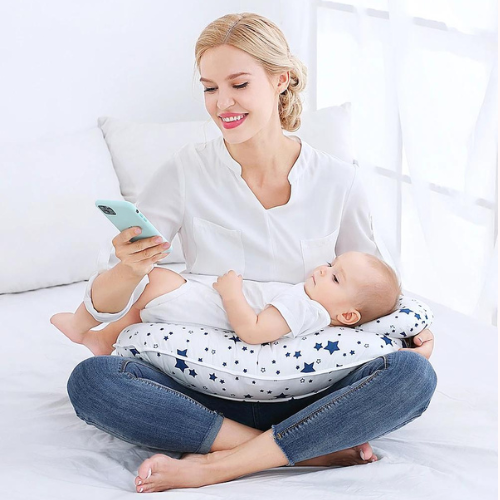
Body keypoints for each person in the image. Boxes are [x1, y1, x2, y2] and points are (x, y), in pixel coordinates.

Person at [65, 13, 436, 493]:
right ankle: (297, 447)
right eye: (209, 88)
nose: (223, 104)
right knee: (94, 381)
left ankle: (221, 463)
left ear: (281, 80)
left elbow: (369, 288)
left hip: (312, 387)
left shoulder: (338, 181)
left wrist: (412, 326)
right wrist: (129, 266)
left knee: (411, 376)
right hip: (198, 387)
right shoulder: (186, 170)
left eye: (238, 84)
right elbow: (112, 298)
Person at [51, 251, 401, 353]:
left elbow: (253, 331)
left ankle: (81, 324)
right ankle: (102, 338)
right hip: (201, 302)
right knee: (143, 302)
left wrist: (232, 292)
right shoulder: (314, 303)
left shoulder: (305, 307)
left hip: (206, 306)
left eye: (336, 278)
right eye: (330, 265)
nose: (324, 271)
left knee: (151, 280)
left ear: (348, 314)